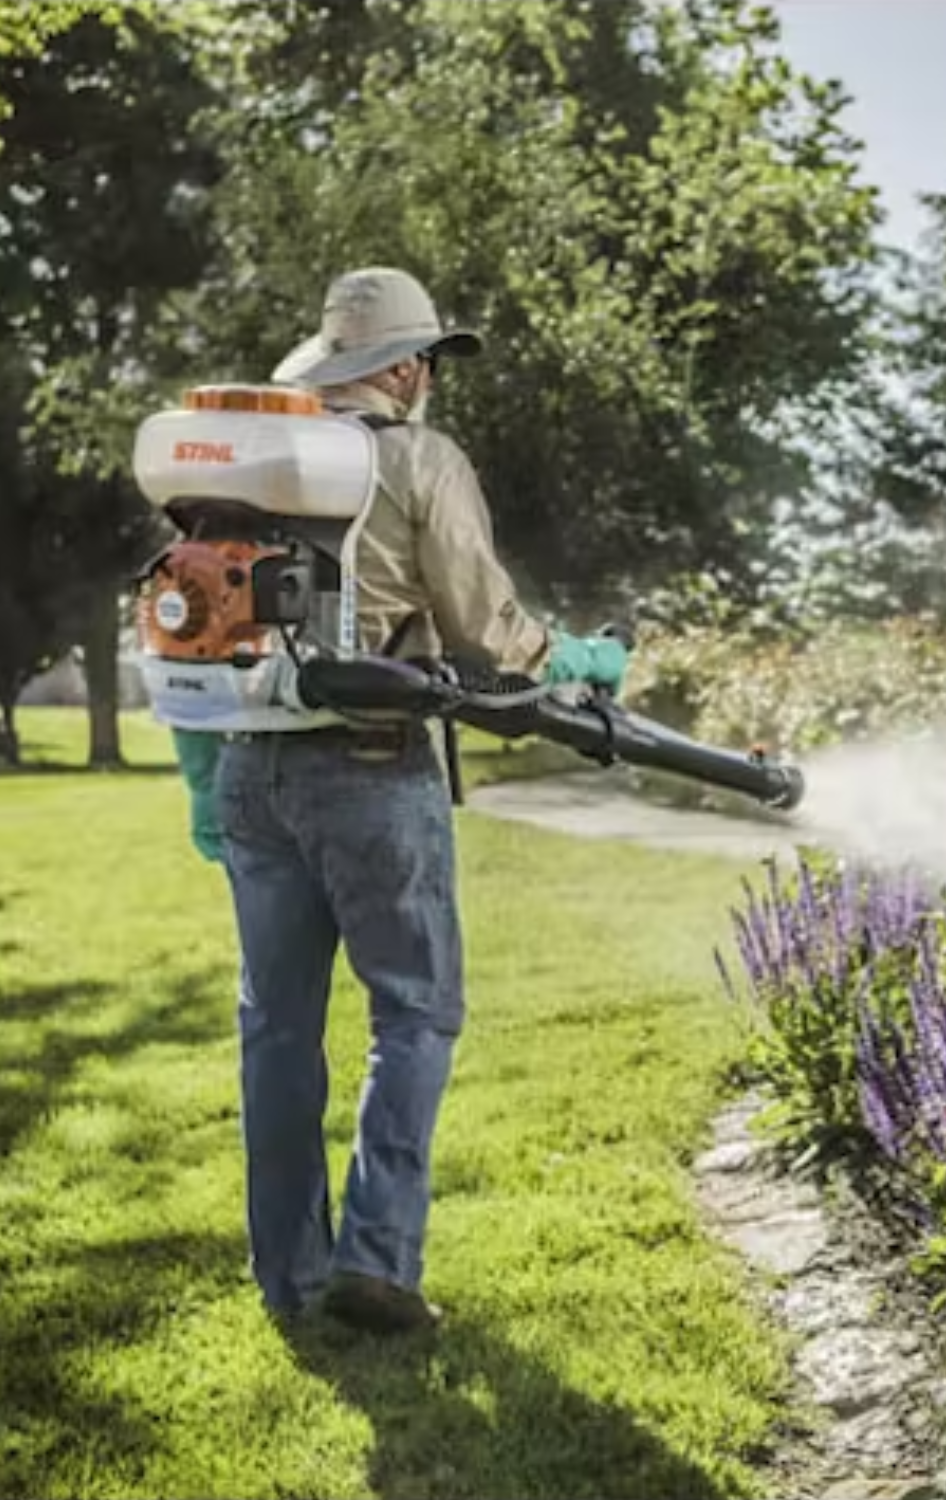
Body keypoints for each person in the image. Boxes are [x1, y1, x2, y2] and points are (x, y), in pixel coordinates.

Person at [179, 266, 627, 1334]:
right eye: (427, 360)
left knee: (276, 1031)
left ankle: (291, 1281)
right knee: (415, 1011)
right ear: (408, 369)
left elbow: (195, 624)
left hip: (248, 766)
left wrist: (204, 780)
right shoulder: (421, 459)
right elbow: (487, 633)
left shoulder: (250, 466)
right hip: (371, 764)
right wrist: (580, 658)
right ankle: (377, 1264)